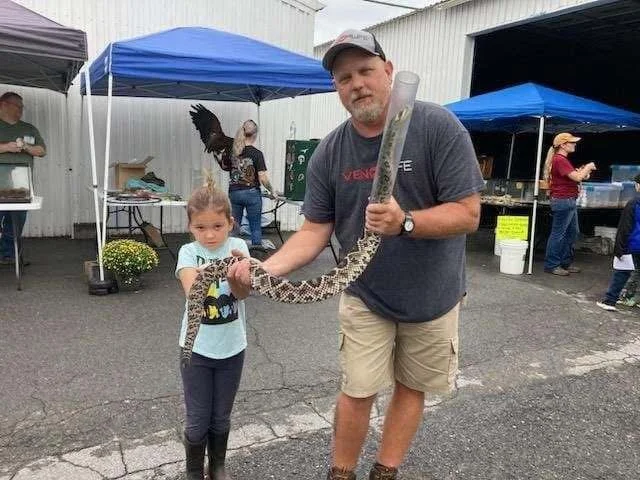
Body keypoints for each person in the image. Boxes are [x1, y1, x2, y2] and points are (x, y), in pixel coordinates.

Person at [228, 29, 485, 480]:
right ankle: (340, 473)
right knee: (358, 388)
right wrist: (263, 269)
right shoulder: (330, 150)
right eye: (344, 77)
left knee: (411, 386)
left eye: (365, 71)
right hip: (364, 293)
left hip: (434, 294)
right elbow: (313, 230)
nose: (357, 84)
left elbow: (468, 214)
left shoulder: (437, 126)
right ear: (336, 88)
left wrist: (407, 222)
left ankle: (385, 471)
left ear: (388, 71)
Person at [176, 176, 250, 480]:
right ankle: (194, 471)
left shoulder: (239, 247)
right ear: (190, 227)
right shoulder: (187, 253)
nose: (209, 235)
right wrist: (215, 269)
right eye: (201, 228)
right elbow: (193, 292)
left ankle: (217, 466)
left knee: (220, 418)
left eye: (217, 227)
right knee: (197, 420)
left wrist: (238, 274)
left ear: (231, 223)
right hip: (196, 350)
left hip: (233, 348)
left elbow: (244, 293)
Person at [0, 92, 46, 265]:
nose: (21, 110)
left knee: (17, 222)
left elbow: (42, 151)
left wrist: (26, 146)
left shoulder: (28, 128)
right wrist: (6, 147)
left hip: (22, 188)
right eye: (18, 106)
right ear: (4, 104)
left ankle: (9, 255)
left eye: (21, 107)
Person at [542, 132, 596, 276]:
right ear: (563, 145)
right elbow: (577, 177)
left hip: (568, 200)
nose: (574, 144)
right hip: (563, 200)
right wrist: (588, 167)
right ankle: (552, 265)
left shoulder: (562, 160)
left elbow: (574, 177)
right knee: (558, 234)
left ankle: (564, 263)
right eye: (572, 142)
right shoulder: (560, 160)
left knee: (573, 233)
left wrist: (582, 172)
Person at [596, 174, 640, 311]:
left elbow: (625, 228)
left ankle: (610, 301)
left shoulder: (634, 203)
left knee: (622, 272)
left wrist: (619, 248)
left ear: (637, 185)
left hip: (633, 244)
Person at [227, 119, 274, 247]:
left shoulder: (234, 152)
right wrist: (272, 191)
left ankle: (230, 252)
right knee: (255, 225)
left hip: (234, 192)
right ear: (255, 134)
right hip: (251, 193)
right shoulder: (257, 154)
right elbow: (263, 178)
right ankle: (256, 253)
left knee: (234, 224)